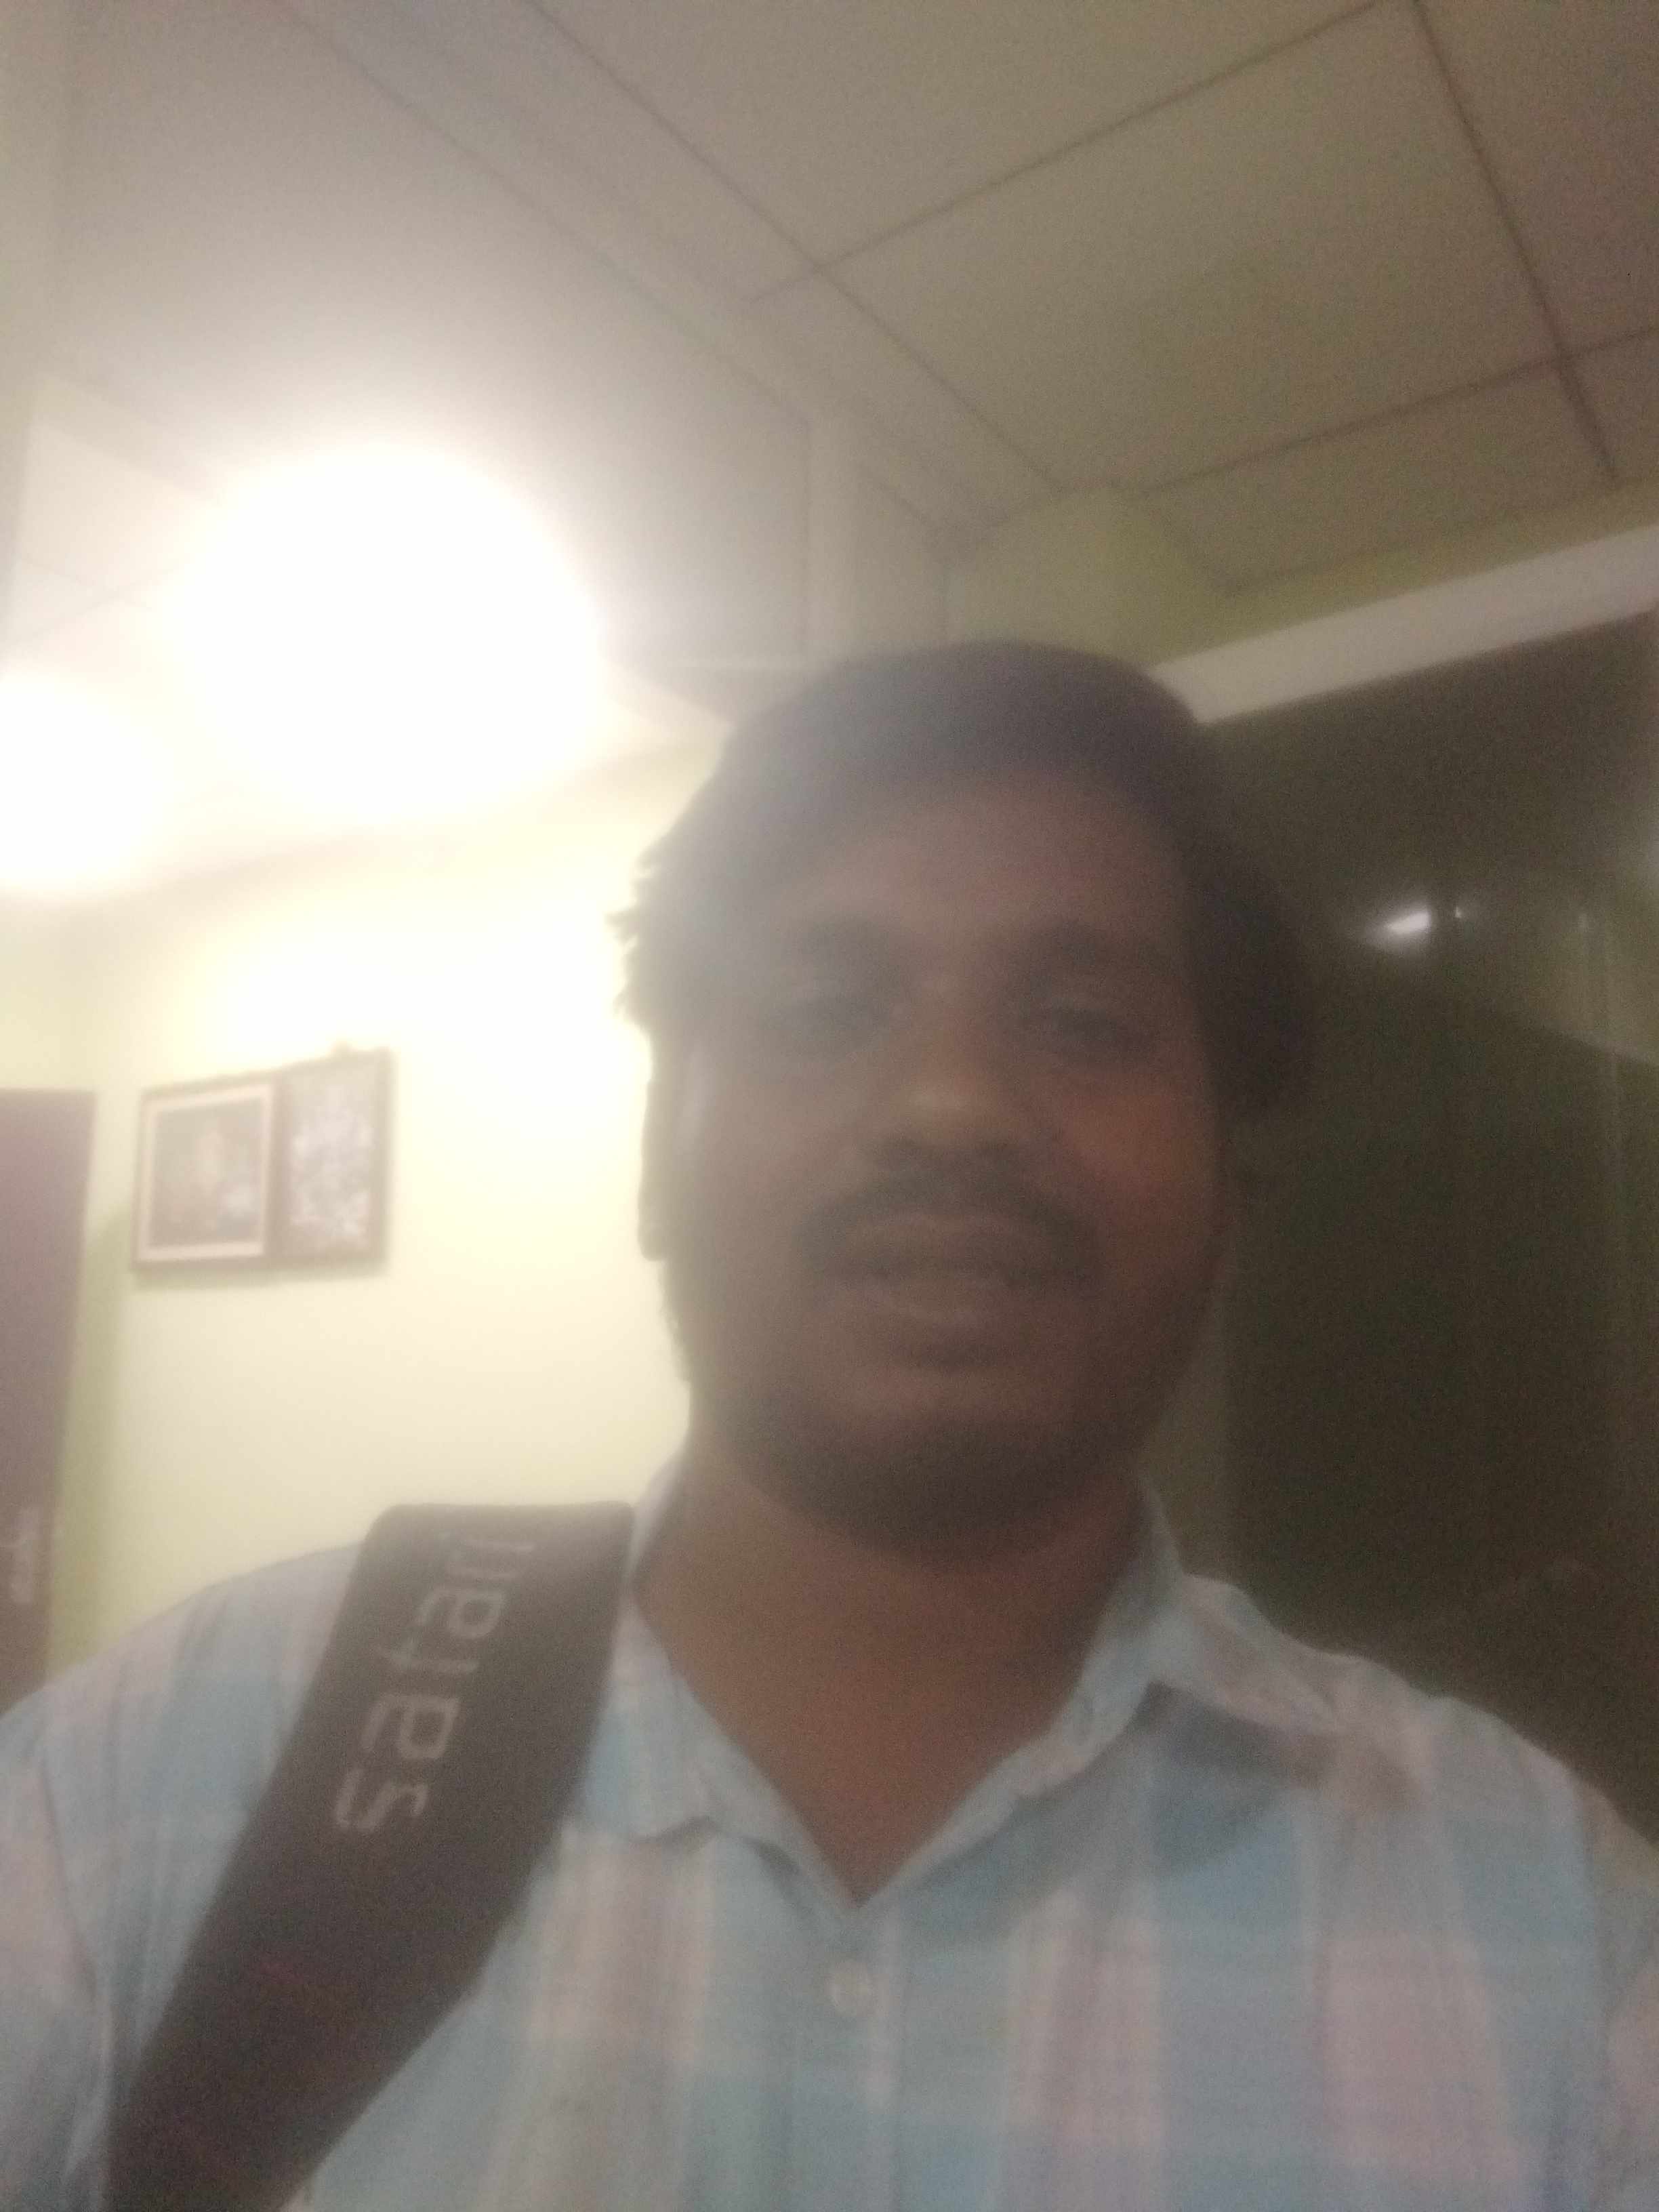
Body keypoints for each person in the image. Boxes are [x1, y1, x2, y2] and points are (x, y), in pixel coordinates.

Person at [3, 642, 1656, 2209]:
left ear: (1231, 1180)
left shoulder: (1552, 1932)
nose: (954, 1106)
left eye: (1087, 1025)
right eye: (822, 1007)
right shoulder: (166, 1775)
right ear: (657, 1160)